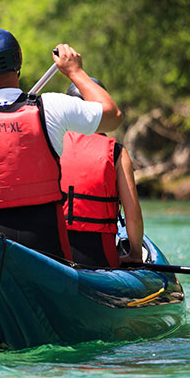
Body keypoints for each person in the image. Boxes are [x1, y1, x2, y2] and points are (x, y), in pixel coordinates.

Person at [0, 27, 122, 261]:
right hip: (47, 242)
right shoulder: (52, 106)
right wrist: (75, 71)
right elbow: (113, 116)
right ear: (18, 62)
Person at [59, 82, 143, 267]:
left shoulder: (50, 143)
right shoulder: (116, 153)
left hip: (52, 252)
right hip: (99, 256)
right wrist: (136, 254)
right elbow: (133, 215)